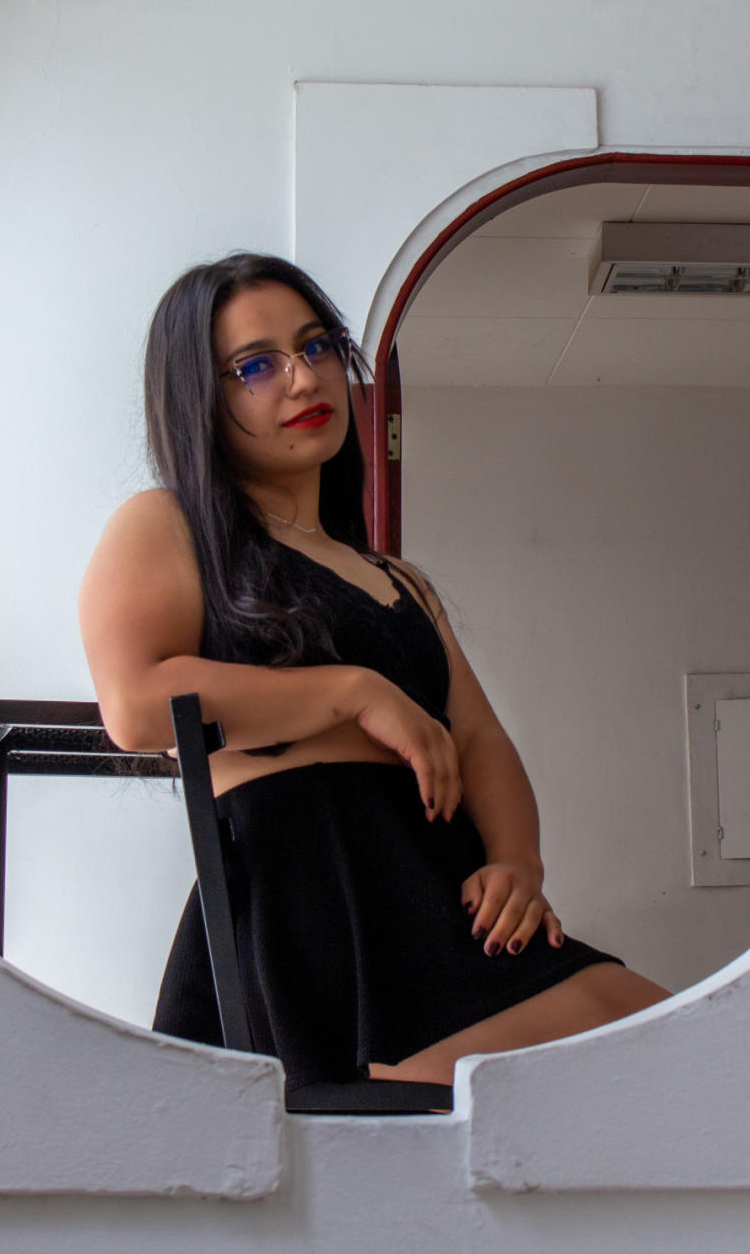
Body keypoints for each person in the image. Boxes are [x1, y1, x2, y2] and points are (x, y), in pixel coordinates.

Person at [77, 252, 668, 1090]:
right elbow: (136, 706)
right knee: (630, 1054)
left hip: (438, 891)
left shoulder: (397, 580)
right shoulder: (167, 525)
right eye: (256, 365)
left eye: (316, 346)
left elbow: (479, 738)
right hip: (312, 896)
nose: (302, 377)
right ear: (198, 396)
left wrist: (517, 863)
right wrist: (353, 693)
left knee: (663, 1044)